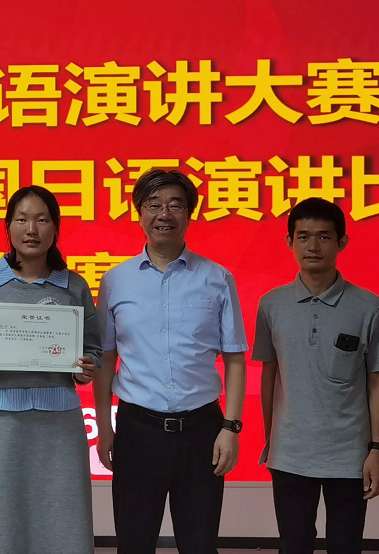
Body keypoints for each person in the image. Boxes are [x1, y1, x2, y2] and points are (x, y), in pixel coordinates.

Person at [93, 168, 247, 554]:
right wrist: (104, 427)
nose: (164, 214)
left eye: (175, 205)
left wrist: (230, 427)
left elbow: (234, 359)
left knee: (200, 544)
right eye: (153, 205)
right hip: (137, 431)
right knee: (134, 543)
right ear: (139, 213)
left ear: (190, 214)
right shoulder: (115, 280)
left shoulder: (217, 278)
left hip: (202, 432)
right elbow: (106, 358)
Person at [0, 185, 102, 554]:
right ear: (9, 227)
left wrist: (87, 368)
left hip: (60, 422)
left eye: (41, 220)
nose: (31, 229)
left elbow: (93, 349)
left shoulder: (75, 286)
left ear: (56, 228)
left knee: (63, 516)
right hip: (0, 422)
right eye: (21, 220)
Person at [253, 197, 379, 554]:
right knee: (293, 544)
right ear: (290, 242)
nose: (313, 246)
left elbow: (378, 381)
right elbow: (269, 374)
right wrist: (271, 438)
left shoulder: (370, 307)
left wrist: (377, 449)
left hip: (349, 455)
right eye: (303, 236)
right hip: (290, 454)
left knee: (345, 546)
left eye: (323, 236)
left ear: (341, 242)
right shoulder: (271, 304)